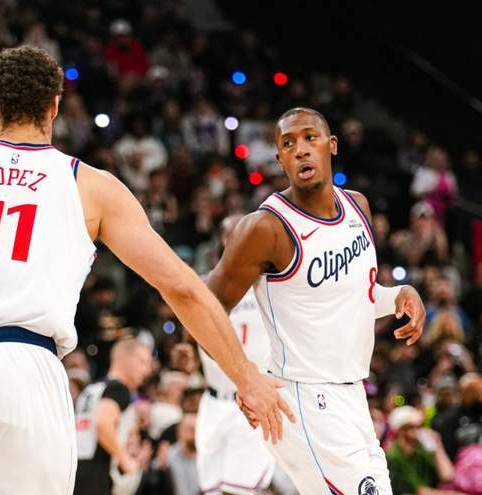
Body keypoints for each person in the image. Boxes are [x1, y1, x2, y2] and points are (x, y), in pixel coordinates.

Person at [0, 46, 292, 495]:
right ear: (55, 107)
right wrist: (246, 377)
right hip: (23, 364)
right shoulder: (90, 185)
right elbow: (182, 287)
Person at [206, 107, 426, 494]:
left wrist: (397, 296)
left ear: (332, 145)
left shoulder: (357, 206)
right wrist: (245, 375)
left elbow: (354, 298)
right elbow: (204, 308)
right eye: (289, 143)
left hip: (352, 393)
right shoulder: (265, 228)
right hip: (305, 399)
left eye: (310, 138)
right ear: (280, 158)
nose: (301, 149)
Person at [195, 215, 279, 495]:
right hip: (213, 400)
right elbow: (191, 330)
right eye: (232, 236)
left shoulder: (272, 285)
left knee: (240, 490)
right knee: (211, 490)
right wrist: (186, 349)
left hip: (252, 397)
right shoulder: (205, 286)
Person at [74, 338, 152, 495]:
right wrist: (125, 460)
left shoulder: (92, 388)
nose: (147, 370)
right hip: (97, 479)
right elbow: (103, 424)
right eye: (142, 362)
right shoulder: (119, 389)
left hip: (75, 473)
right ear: (123, 359)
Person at [386, 406, 457, 495]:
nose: (420, 431)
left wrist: (437, 447)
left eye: (420, 426)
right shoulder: (394, 456)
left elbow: (448, 476)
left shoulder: (420, 451)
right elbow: (420, 491)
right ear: (401, 431)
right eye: (414, 427)